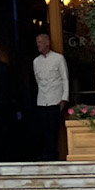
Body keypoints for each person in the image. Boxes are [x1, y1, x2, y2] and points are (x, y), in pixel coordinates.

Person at [31, 28, 69, 160]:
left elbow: (65, 78)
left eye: (40, 42)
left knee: (53, 130)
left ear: (47, 43)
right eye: (37, 42)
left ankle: (52, 155)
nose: (38, 45)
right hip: (42, 99)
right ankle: (45, 153)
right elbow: (37, 80)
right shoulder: (36, 61)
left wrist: (64, 98)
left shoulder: (58, 58)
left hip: (55, 99)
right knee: (43, 129)